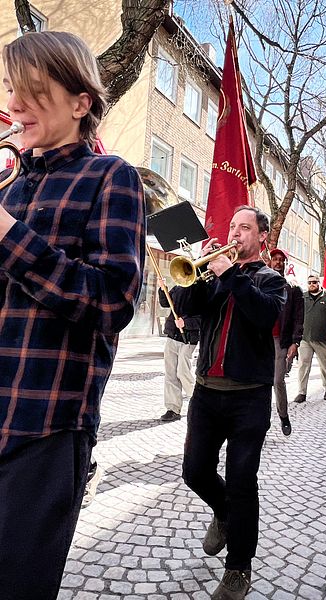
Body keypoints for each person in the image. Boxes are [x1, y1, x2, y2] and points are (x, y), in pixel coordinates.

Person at [0, 32, 145, 599]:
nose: (14, 106)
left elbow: (111, 301)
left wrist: (10, 236)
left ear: (81, 101)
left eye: (33, 92)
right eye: (12, 91)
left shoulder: (113, 178)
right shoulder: (9, 184)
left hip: (44, 427)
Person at [181, 206, 285, 600]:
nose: (235, 233)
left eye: (244, 228)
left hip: (248, 399)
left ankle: (239, 568)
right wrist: (193, 268)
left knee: (243, 481)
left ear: (261, 236)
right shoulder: (215, 276)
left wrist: (232, 274)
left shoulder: (272, 281)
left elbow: (263, 316)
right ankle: (224, 514)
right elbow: (187, 305)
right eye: (231, 227)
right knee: (194, 472)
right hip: (207, 391)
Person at [268, 248, 303, 436]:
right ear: (270, 261)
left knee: (277, 380)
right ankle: (261, 421)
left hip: (280, 340)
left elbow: (299, 317)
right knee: (260, 382)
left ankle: (283, 416)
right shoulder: (261, 281)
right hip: (261, 340)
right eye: (275, 259)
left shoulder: (293, 287)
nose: (278, 262)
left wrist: (295, 342)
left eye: (281, 260)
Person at [294, 275, 326, 403]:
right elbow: (296, 315)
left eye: (314, 282)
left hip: (324, 339)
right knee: (303, 365)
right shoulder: (303, 297)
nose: (312, 284)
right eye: (309, 282)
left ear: (319, 283)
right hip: (305, 338)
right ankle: (302, 392)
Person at [158, 282, 201, 421]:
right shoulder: (177, 287)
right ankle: (172, 408)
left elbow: (204, 318)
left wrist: (186, 323)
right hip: (173, 335)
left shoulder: (201, 288)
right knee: (170, 374)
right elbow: (166, 303)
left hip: (189, 339)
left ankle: (198, 402)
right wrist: (162, 289)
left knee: (183, 372)